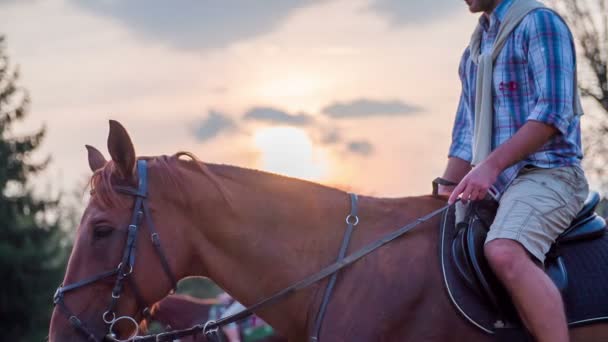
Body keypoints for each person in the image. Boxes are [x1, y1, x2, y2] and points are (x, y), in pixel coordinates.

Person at [439, 0, 588, 341]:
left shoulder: (540, 23)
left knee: (504, 250)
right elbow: (465, 138)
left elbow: (554, 112)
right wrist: (443, 192)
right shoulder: (474, 53)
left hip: (550, 175)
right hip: (496, 185)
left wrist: (490, 167)